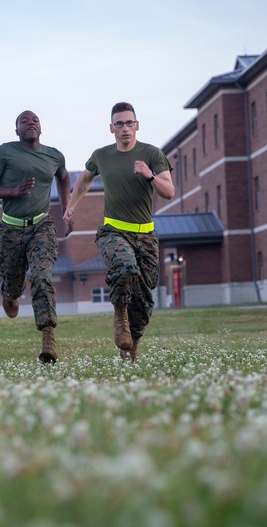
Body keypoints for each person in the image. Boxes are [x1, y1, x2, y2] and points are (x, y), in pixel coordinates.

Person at [63, 102, 174, 361]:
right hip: (113, 231)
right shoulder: (101, 155)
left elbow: (169, 192)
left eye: (130, 123)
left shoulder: (153, 155)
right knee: (125, 268)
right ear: (111, 128)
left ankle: (131, 347)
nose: (125, 128)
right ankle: (120, 315)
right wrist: (70, 207)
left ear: (138, 125)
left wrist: (149, 176)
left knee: (145, 301)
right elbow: (84, 180)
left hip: (146, 235)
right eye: (120, 124)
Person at [0, 110, 71, 363]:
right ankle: (9, 294)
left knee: (42, 276)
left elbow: (64, 178)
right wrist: (12, 191)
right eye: (24, 121)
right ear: (17, 130)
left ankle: (48, 339)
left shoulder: (54, 155)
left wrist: (66, 207)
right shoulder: (5, 152)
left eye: (35, 121)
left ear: (41, 128)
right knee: (13, 283)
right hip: (11, 229)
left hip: (41, 226)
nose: (30, 123)